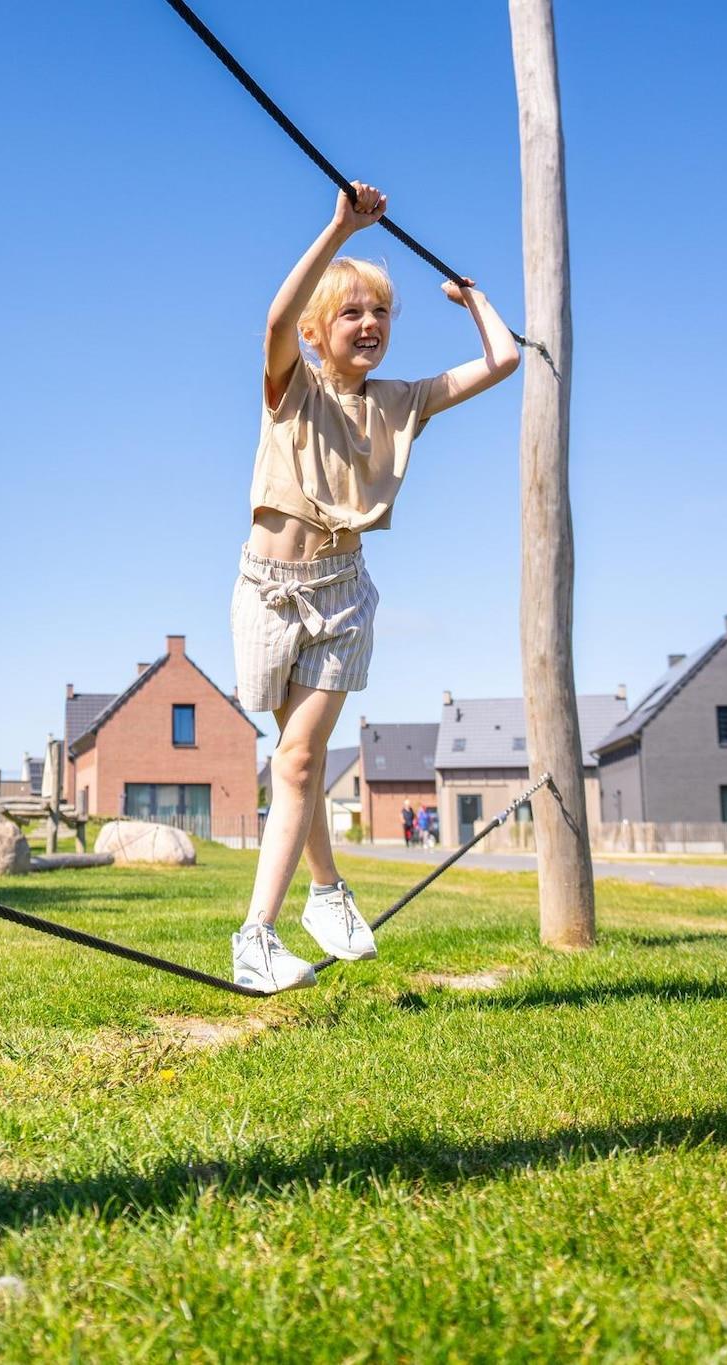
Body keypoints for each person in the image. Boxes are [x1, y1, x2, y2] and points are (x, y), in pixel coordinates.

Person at [228, 183, 520, 994]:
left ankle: (256, 934)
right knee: (299, 763)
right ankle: (327, 890)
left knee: (297, 760)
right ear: (319, 331)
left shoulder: (401, 402)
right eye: (352, 313)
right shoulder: (293, 386)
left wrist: (473, 299)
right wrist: (338, 230)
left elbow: (503, 360)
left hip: (342, 593)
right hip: (267, 591)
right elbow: (276, 323)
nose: (370, 325)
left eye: (382, 314)